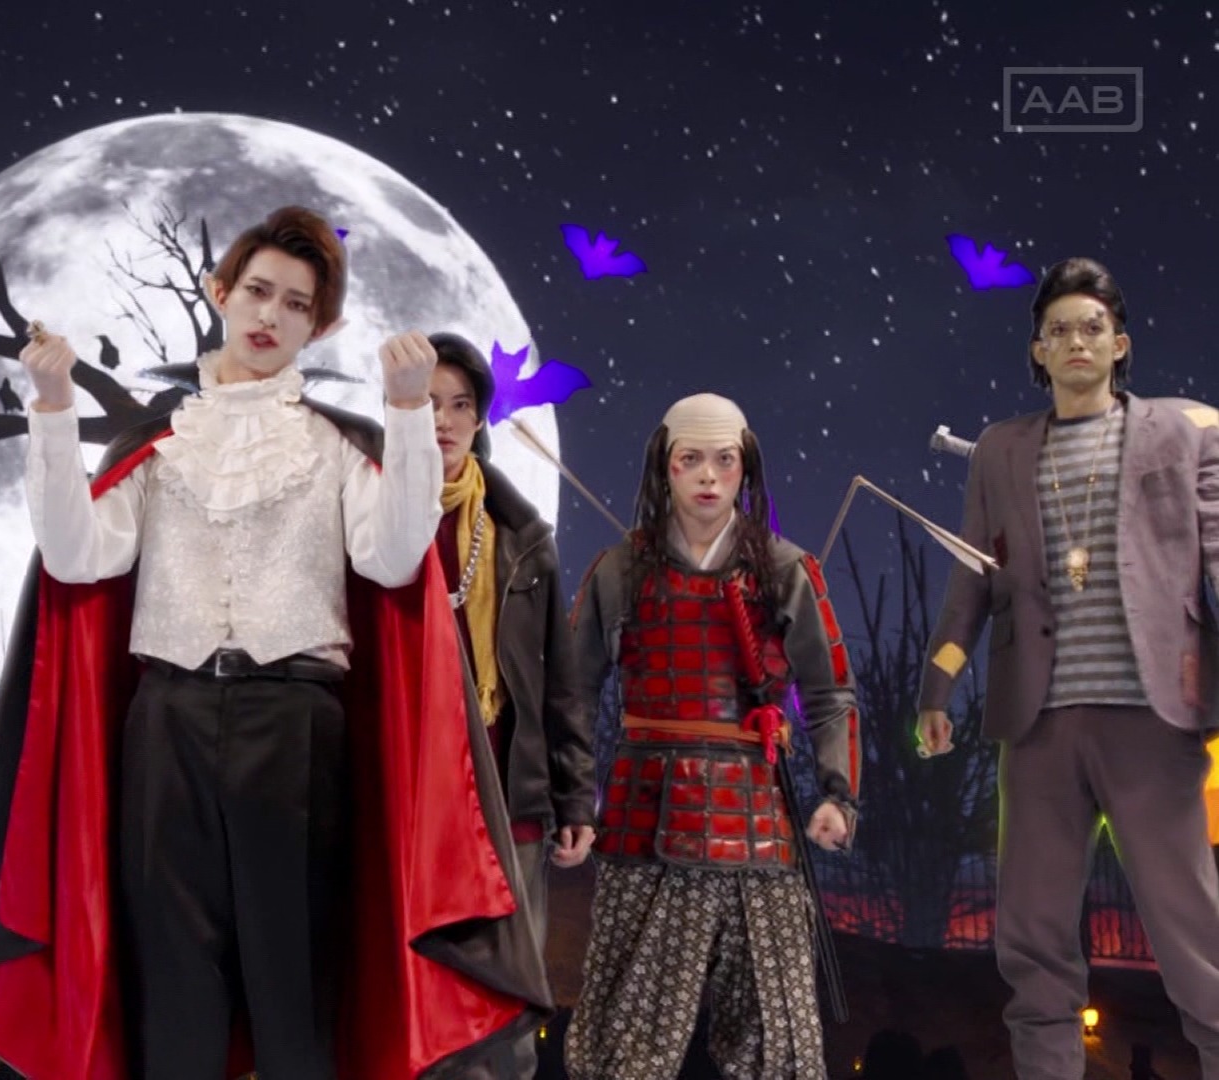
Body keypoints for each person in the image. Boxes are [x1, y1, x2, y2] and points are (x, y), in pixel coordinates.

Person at [0, 205, 550, 1079]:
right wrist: (53, 409)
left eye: (297, 305)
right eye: (258, 291)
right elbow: (75, 557)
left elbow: (392, 558)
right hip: (167, 723)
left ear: (320, 326)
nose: (271, 316)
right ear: (219, 292)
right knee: (173, 988)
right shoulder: (159, 447)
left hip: (295, 726)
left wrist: (410, 412)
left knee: (293, 988)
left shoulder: (337, 446)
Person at [915, 257, 1219, 1079]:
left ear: (1120, 344)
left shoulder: (1184, 432)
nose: (1077, 340)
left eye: (1093, 327)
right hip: (1037, 724)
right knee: (1033, 934)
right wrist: (938, 686)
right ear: (1038, 352)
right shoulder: (1001, 451)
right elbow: (973, 580)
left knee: (1192, 926)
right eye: (1059, 330)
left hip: (1152, 719)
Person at [562, 392, 860, 1080]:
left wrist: (837, 795)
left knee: (778, 1044)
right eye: (689, 459)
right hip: (644, 819)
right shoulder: (620, 569)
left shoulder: (786, 569)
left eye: (724, 460)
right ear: (663, 467)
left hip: (757, 821)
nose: (707, 476)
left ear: (744, 466)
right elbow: (571, 694)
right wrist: (573, 802)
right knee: (621, 1043)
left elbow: (829, 694)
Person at [427, 332, 596, 1077]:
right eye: (425, 403)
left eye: (460, 404)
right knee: (425, 997)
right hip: (414, 797)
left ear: (479, 417)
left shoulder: (523, 537)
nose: (442, 420)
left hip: (509, 790)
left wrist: (574, 797)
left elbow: (560, 680)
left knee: (509, 1002)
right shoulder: (364, 522)